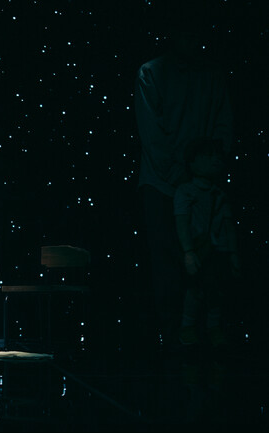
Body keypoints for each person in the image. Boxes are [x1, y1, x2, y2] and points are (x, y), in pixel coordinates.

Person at [134, 14, 233, 346]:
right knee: (168, 260)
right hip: (165, 183)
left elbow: (223, 126)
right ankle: (172, 333)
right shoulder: (152, 72)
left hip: (199, 181)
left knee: (207, 258)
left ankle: (201, 330)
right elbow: (152, 133)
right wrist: (184, 172)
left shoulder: (211, 76)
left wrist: (206, 169)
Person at [174, 138, 239, 347]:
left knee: (216, 290)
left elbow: (228, 225)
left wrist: (233, 253)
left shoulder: (219, 194)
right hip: (199, 248)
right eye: (208, 155)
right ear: (193, 161)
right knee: (195, 290)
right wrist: (188, 251)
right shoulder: (186, 191)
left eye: (217, 155)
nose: (216, 159)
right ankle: (188, 328)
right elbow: (182, 221)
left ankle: (213, 328)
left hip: (218, 250)